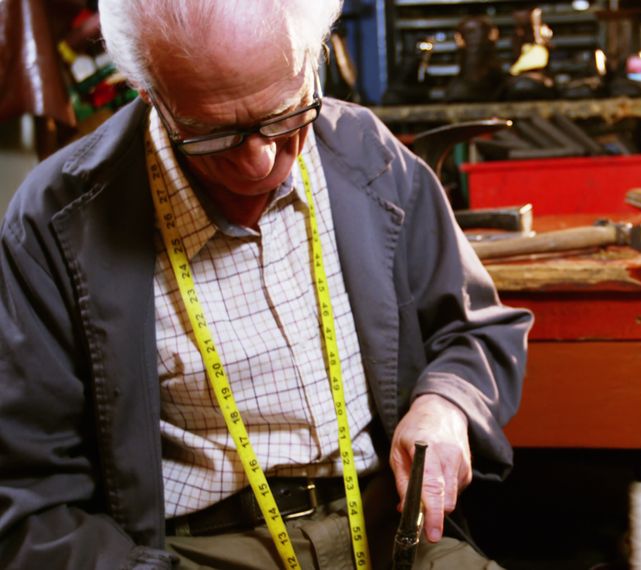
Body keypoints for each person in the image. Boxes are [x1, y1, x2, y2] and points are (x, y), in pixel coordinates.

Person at [0, 1, 532, 568]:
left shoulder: (366, 154)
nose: (259, 164)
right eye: (213, 136)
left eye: (284, 117)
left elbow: (476, 331)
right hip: (193, 552)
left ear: (312, 58)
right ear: (146, 91)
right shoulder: (58, 222)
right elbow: (29, 498)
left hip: (389, 529)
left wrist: (444, 405)